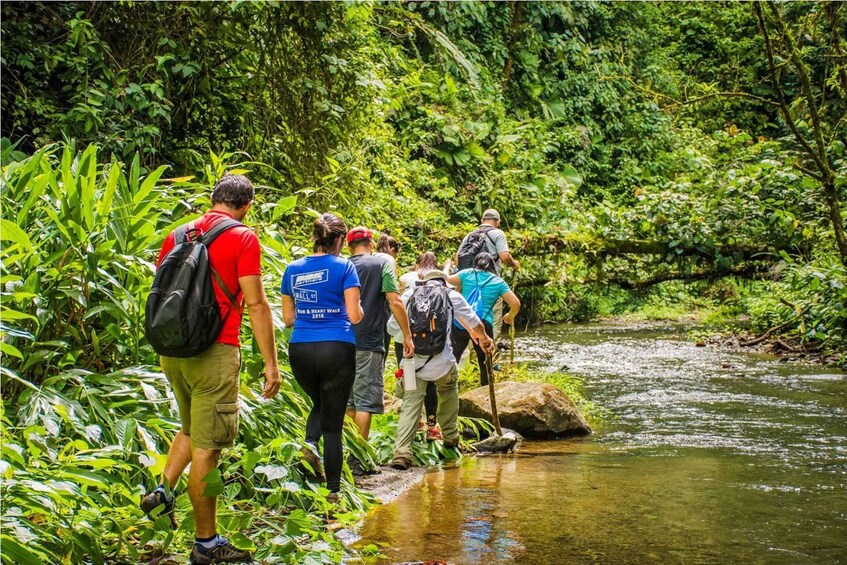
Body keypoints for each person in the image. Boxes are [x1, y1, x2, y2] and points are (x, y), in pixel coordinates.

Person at [141, 174, 280, 565]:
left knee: (190, 427)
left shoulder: (178, 233)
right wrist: (270, 364)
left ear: (213, 198)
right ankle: (206, 544)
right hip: (215, 351)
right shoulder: (243, 237)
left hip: (173, 350)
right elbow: (255, 303)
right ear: (247, 205)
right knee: (208, 448)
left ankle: (163, 491)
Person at [281, 213, 364, 502]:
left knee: (319, 403)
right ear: (340, 239)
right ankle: (333, 492)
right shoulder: (345, 267)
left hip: (301, 349)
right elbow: (354, 315)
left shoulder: (292, 269)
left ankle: (308, 443)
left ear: (315, 238)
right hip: (336, 348)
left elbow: (288, 318)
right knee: (333, 424)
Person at [388, 269, 495, 470]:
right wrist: (485, 339)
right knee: (448, 390)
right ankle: (451, 437)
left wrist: (412, 340)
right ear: (444, 282)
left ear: (423, 282)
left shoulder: (408, 295)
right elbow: (474, 323)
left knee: (411, 403)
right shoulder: (451, 295)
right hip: (443, 363)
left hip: (412, 364)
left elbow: (392, 328)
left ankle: (402, 453)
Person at [346, 227, 413, 448]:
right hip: (369, 339)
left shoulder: (343, 265)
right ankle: (359, 456)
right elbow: (395, 301)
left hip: (341, 340)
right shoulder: (382, 264)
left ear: (348, 246)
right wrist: (407, 335)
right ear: (372, 244)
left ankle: (346, 452)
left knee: (349, 400)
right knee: (365, 401)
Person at [448, 252, 521, 387]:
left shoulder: (467, 273)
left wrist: (447, 266)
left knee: (453, 358)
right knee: (485, 363)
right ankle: (486, 393)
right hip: (483, 325)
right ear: (492, 265)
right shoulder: (498, 282)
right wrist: (510, 316)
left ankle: (449, 390)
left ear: (475, 263)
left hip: (461, 322)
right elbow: (516, 304)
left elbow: (447, 280)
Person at [394, 251, 442, 440]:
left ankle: (415, 423)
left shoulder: (407, 286)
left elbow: (391, 325)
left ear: (416, 266)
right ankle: (432, 427)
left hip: (404, 341)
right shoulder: (440, 286)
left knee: (410, 383)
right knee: (430, 383)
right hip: (430, 343)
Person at [456, 209, 520, 340]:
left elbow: (457, 258)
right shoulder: (498, 233)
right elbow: (504, 256)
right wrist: (514, 264)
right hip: (491, 284)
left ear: (482, 221)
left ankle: (474, 353)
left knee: (470, 316)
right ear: (498, 222)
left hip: (470, 284)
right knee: (492, 318)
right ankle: (491, 350)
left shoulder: (470, 235)